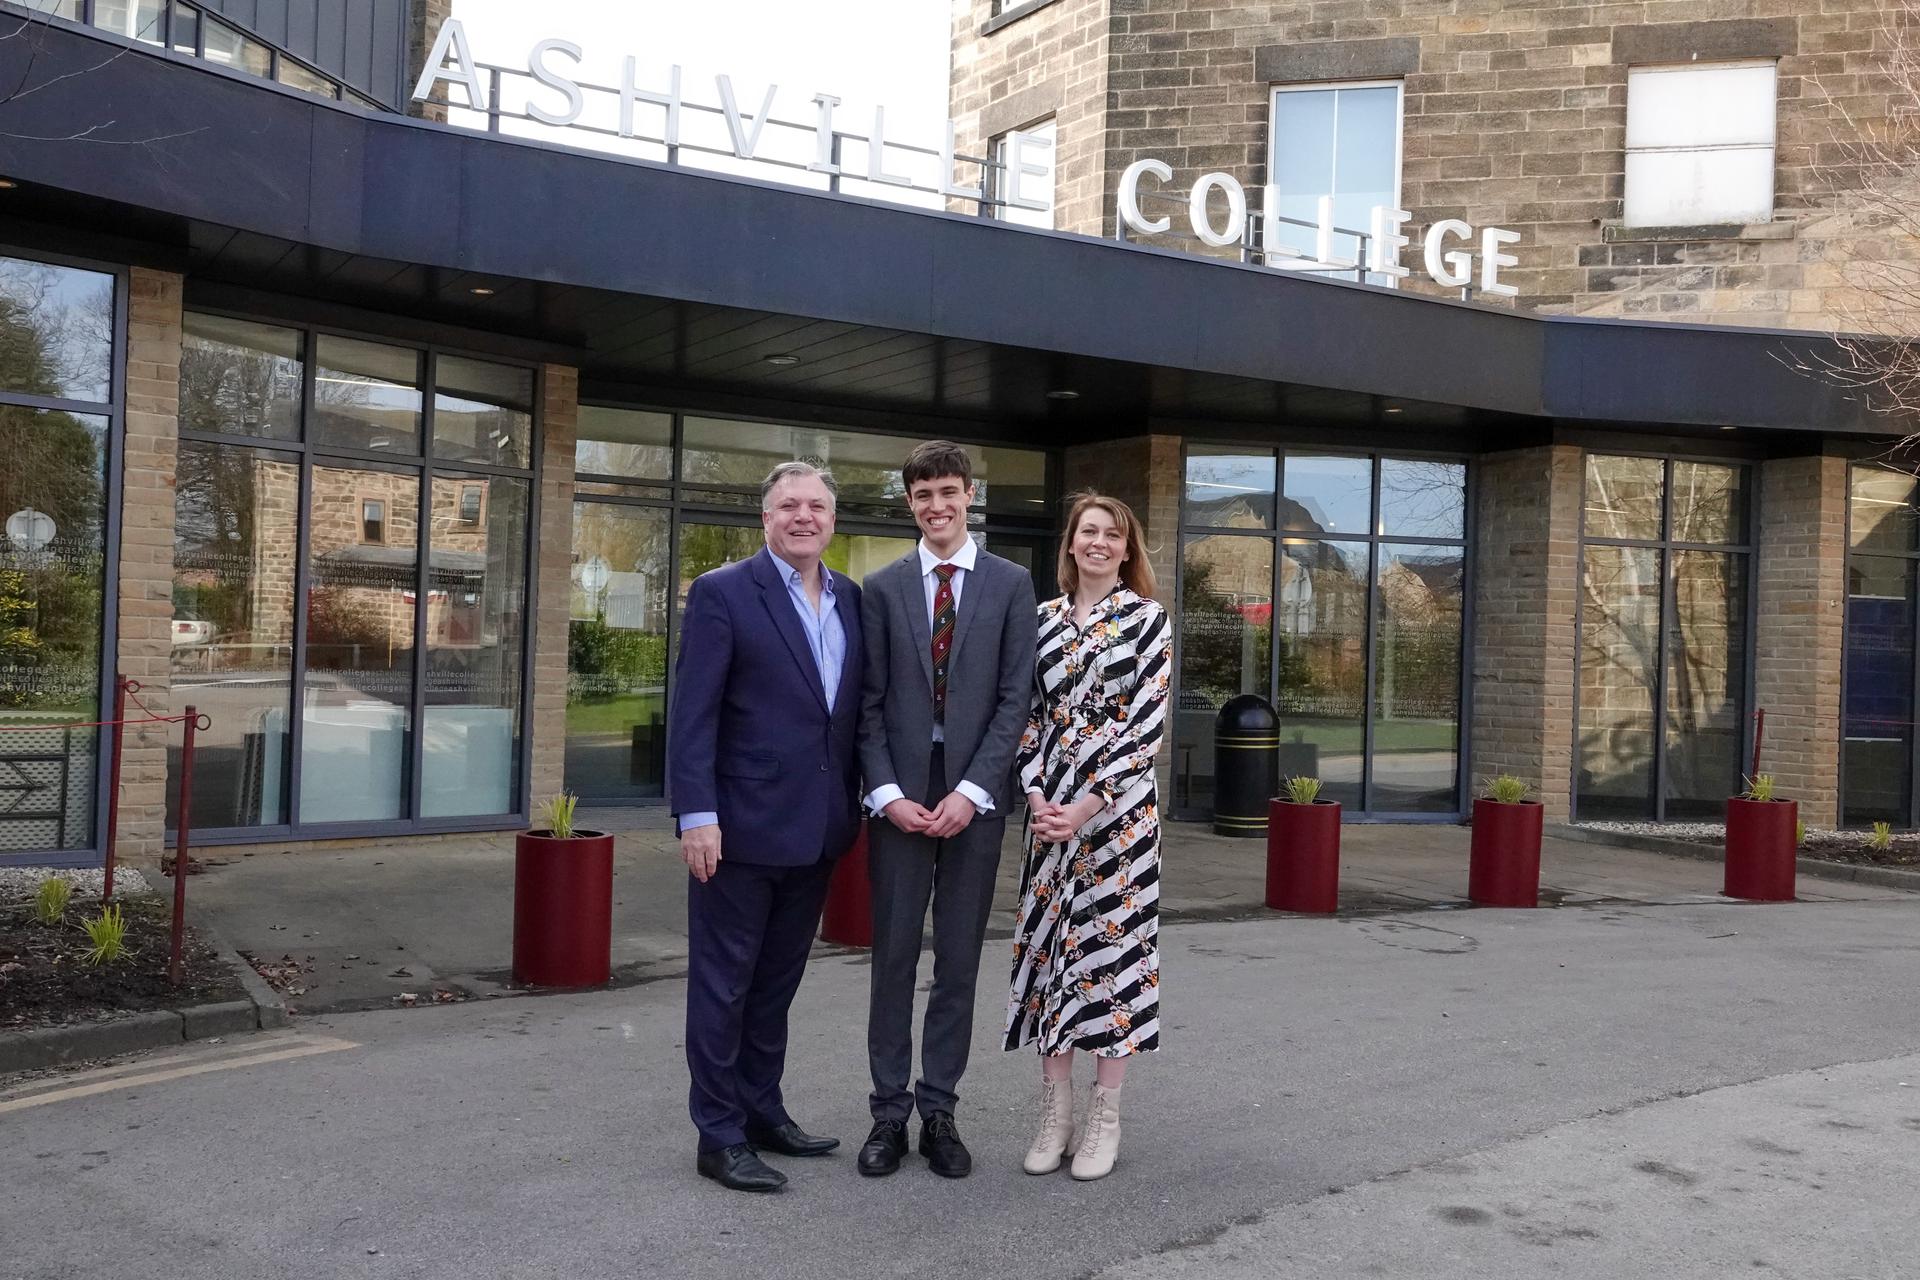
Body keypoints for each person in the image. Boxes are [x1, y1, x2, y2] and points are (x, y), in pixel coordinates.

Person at [669, 460, 865, 1194]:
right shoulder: (723, 593)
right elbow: (695, 714)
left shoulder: (850, 599)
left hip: (817, 832)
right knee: (723, 986)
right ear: (766, 518)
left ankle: (761, 1111)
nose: (804, 516)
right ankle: (717, 1134)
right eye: (789, 506)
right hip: (737, 831)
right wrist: (697, 814)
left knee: (775, 987)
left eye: (817, 505)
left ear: (832, 520)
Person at [855, 440, 1038, 1178]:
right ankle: (888, 1115)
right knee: (894, 958)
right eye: (924, 494)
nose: (937, 505)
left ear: (970, 495)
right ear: (911, 503)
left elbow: (1014, 699)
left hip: (975, 795)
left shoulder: (1009, 584)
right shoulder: (881, 587)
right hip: (899, 790)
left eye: (949, 492)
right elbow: (864, 706)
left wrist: (971, 792)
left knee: (957, 960)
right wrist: (889, 795)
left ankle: (940, 1111)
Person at [1005, 491, 1170, 1182]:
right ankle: (1057, 1109)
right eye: (1087, 531)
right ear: (1070, 544)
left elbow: (1146, 727)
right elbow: (1027, 715)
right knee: (1050, 957)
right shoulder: (1039, 621)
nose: (1099, 542)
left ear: (1127, 550)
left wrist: (1087, 805)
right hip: (1048, 815)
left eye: (1112, 534)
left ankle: (1106, 1111)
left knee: (1113, 956)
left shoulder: (1147, 621)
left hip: (1120, 819)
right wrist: (1041, 795)